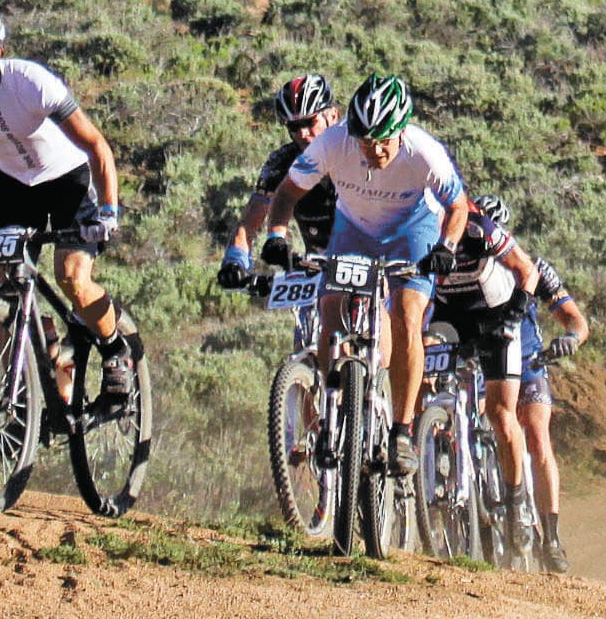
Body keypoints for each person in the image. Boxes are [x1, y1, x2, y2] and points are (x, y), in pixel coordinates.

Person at [0, 4, 138, 415]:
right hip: (16, 185)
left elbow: (96, 146)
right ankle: (48, 370)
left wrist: (108, 211)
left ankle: (115, 351)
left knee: (72, 277)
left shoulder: (31, 83)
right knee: (7, 284)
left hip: (69, 178)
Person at [256, 71, 462, 474]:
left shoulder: (425, 151)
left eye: (383, 141)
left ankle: (401, 433)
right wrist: (277, 235)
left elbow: (457, 207)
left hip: (412, 230)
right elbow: (286, 193)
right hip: (355, 232)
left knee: (406, 315)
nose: (374, 151)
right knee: (330, 310)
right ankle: (335, 408)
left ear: (401, 131)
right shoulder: (334, 143)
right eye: (365, 141)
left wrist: (447, 248)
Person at [429, 194, 554, 545]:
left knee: (501, 414)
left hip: (495, 315)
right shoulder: (416, 229)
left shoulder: (478, 227)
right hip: (447, 316)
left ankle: (515, 504)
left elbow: (527, 271)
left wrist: (515, 313)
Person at [510, 234, 593, 570]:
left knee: (537, 436)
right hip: (482, 367)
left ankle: (552, 538)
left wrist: (571, 339)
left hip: (528, 364)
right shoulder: (459, 270)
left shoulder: (535, 268)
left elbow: (576, 320)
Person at [220, 72, 342, 297]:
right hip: (318, 265)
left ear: (333, 115)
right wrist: (235, 260)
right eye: (294, 126)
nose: (303, 133)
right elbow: (253, 215)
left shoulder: (358, 151)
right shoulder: (283, 161)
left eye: (310, 122)